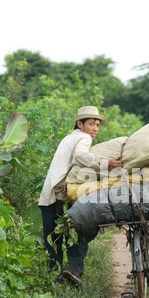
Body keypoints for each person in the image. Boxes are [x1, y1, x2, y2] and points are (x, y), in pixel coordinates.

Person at [38, 105, 122, 286]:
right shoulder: (83, 138)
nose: (95, 129)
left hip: (48, 195)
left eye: (98, 125)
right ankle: (71, 272)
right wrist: (107, 164)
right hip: (60, 194)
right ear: (80, 124)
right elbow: (81, 156)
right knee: (77, 231)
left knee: (53, 240)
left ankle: (55, 279)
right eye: (91, 124)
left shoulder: (69, 138)